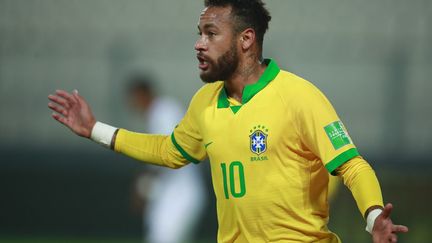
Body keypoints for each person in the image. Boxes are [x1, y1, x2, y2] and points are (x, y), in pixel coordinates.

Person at [48, 0, 408, 242]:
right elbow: (169, 150)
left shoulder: (298, 96)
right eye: (199, 33)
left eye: (210, 33)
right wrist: (95, 129)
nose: (198, 44)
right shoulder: (205, 102)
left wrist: (373, 216)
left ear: (246, 40)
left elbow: (352, 165)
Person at [127, 75, 206, 243]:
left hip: (181, 193)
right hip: (171, 193)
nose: (133, 103)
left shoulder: (163, 111)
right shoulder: (160, 112)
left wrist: (143, 185)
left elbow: (167, 154)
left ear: (144, 93)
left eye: (135, 97)